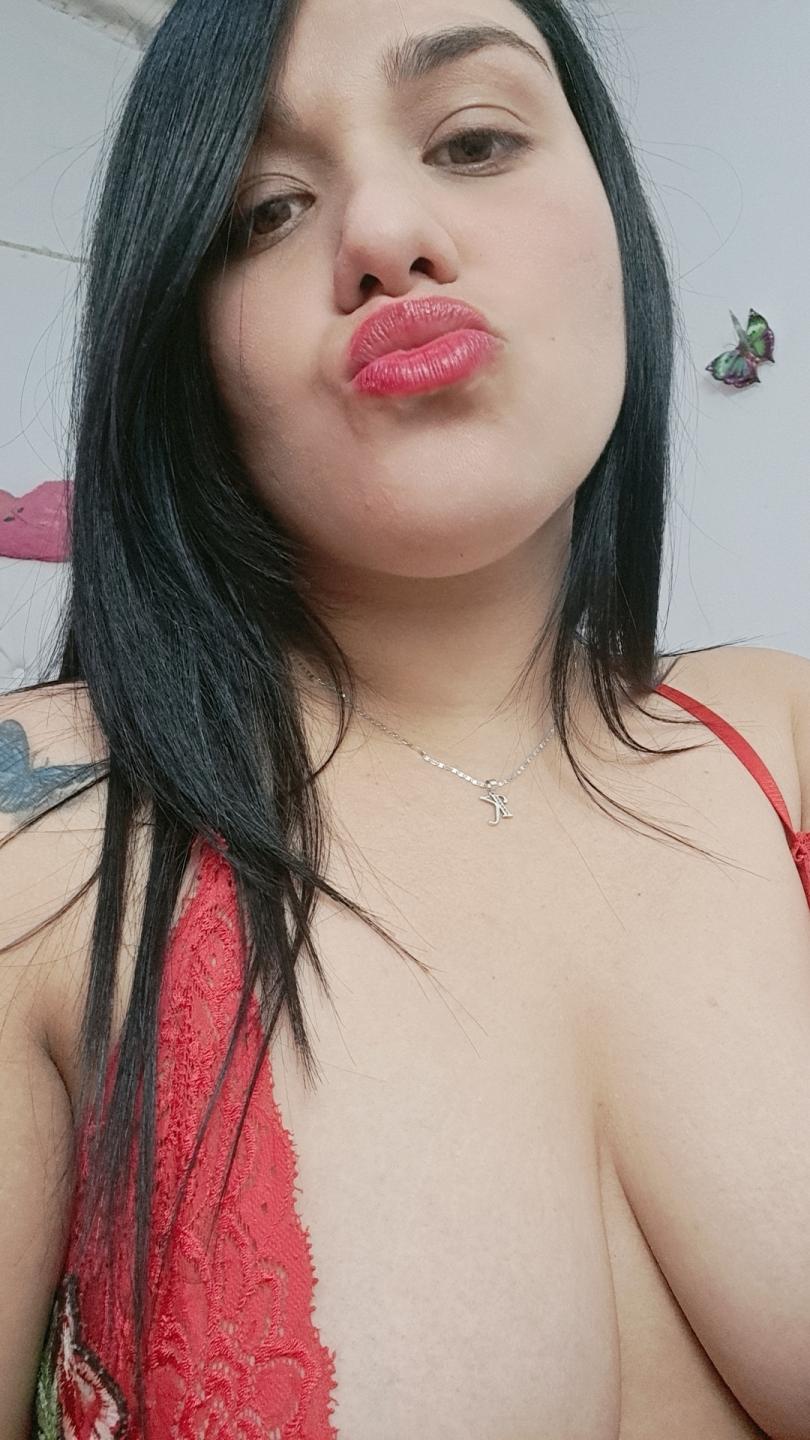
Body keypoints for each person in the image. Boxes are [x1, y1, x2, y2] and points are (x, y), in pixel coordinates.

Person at [1, 0, 809, 1435]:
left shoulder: (783, 737)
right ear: (181, 342)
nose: (381, 231)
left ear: (616, 223)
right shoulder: (40, 835)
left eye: (475, 140)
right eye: (262, 210)